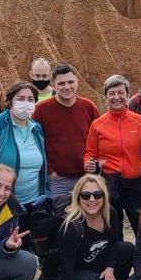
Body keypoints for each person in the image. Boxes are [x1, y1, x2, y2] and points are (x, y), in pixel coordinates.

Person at [0, 82, 56, 259]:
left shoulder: (35, 128)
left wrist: (45, 193)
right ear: (10, 101)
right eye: (21, 99)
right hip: (5, 203)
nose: (26, 103)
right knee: (8, 247)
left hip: (33, 201)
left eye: (30, 99)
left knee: (32, 245)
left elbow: (43, 163)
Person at [50, 175, 136, 280]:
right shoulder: (71, 226)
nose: (91, 200)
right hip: (68, 272)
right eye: (85, 195)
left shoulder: (109, 213)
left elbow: (113, 244)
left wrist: (110, 268)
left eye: (97, 195)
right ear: (77, 197)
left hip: (92, 261)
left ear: (104, 196)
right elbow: (67, 269)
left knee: (128, 249)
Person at [84, 74, 141, 235]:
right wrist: (88, 162)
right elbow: (90, 152)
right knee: (113, 228)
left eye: (121, 93)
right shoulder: (98, 124)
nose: (117, 97)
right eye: (112, 93)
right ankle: (116, 259)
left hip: (135, 181)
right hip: (110, 182)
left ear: (128, 95)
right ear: (106, 96)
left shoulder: (140, 121)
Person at [33, 64, 99, 214]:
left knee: (88, 217)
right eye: (61, 83)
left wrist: (95, 164)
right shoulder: (41, 110)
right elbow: (35, 144)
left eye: (70, 82)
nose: (67, 87)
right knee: (60, 220)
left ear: (77, 82)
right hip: (58, 179)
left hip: (86, 177)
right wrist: (50, 172)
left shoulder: (88, 106)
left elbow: (99, 138)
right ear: (53, 85)